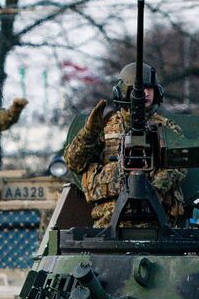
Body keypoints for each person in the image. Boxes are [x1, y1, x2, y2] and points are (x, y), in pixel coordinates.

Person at [63, 63, 189, 228]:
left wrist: (153, 189)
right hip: (109, 220)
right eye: (139, 88)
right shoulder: (105, 126)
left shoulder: (166, 128)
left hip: (157, 218)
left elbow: (180, 163)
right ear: (123, 91)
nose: (145, 93)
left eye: (150, 88)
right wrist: (89, 132)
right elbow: (74, 163)